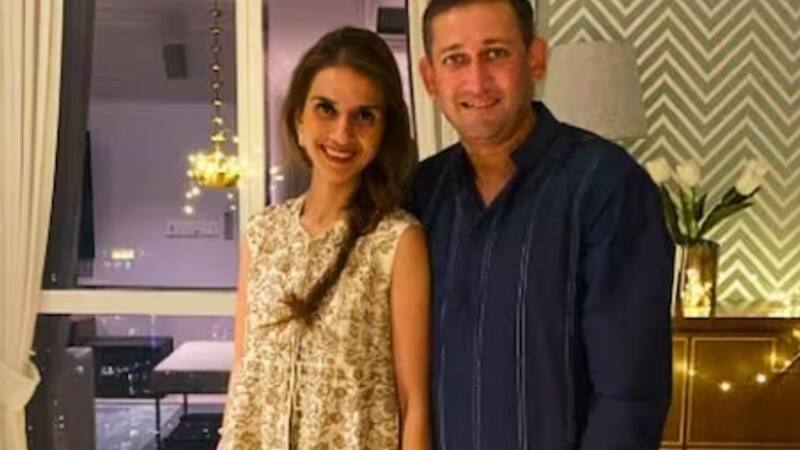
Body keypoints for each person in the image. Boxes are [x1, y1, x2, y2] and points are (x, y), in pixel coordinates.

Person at [410, 0, 674, 449]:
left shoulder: (606, 185)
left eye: (495, 53)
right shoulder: (420, 193)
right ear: (430, 77)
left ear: (535, 59)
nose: (477, 79)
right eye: (455, 59)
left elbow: (629, 396)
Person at [219, 27, 431, 450]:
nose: (341, 133)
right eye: (326, 109)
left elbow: (414, 403)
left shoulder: (396, 242)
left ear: (385, 131)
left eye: (364, 116)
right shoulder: (262, 234)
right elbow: (243, 375)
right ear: (299, 118)